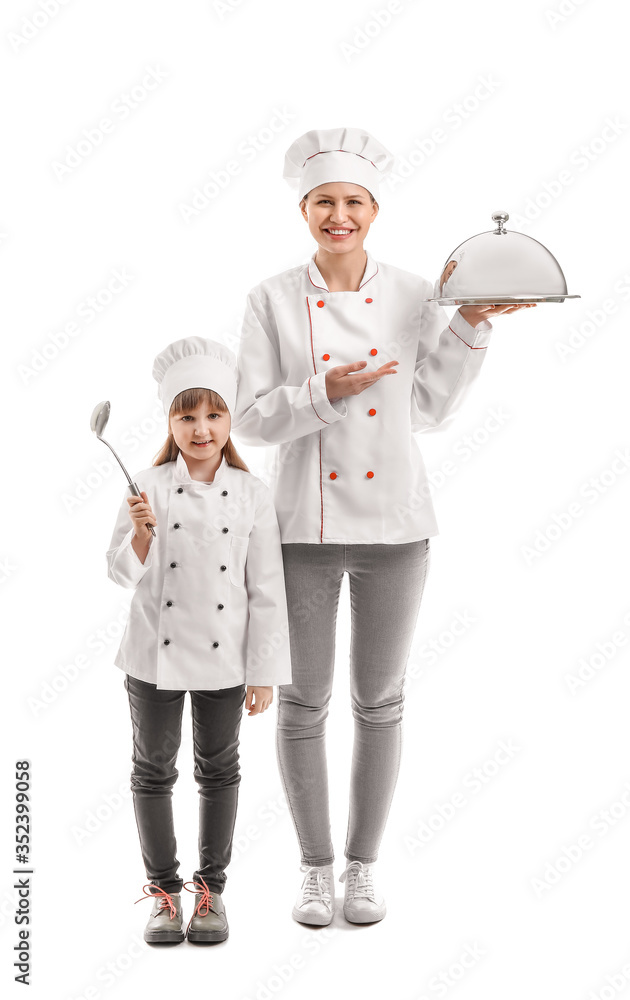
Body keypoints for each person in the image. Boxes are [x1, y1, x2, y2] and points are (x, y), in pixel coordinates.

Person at [232, 127, 535, 927]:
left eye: (354, 202)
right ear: (304, 209)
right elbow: (255, 421)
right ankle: (313, 868)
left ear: (374, 209)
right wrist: (325, 390)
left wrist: (471, 323)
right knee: (303, 703)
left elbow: (429, 407)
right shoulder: (268, 298)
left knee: (380, 701)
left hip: (396, 526)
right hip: (300, 527)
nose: (340, 215)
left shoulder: (411, 294)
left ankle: (363, 869)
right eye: (325, 202)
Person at [105, 337, 292, 945]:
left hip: (226, 653)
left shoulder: (253, 493)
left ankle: (211, 892)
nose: (201, 428)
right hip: (151, 655)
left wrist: (264, 670)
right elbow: (118, 573)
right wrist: (138, 537)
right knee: (153, 769)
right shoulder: (147, 488)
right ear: (169, 421)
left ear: (230, 418)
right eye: (187, 415)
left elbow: (265, 588)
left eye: (212, 414)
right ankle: (163, 894)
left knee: (219, 770)